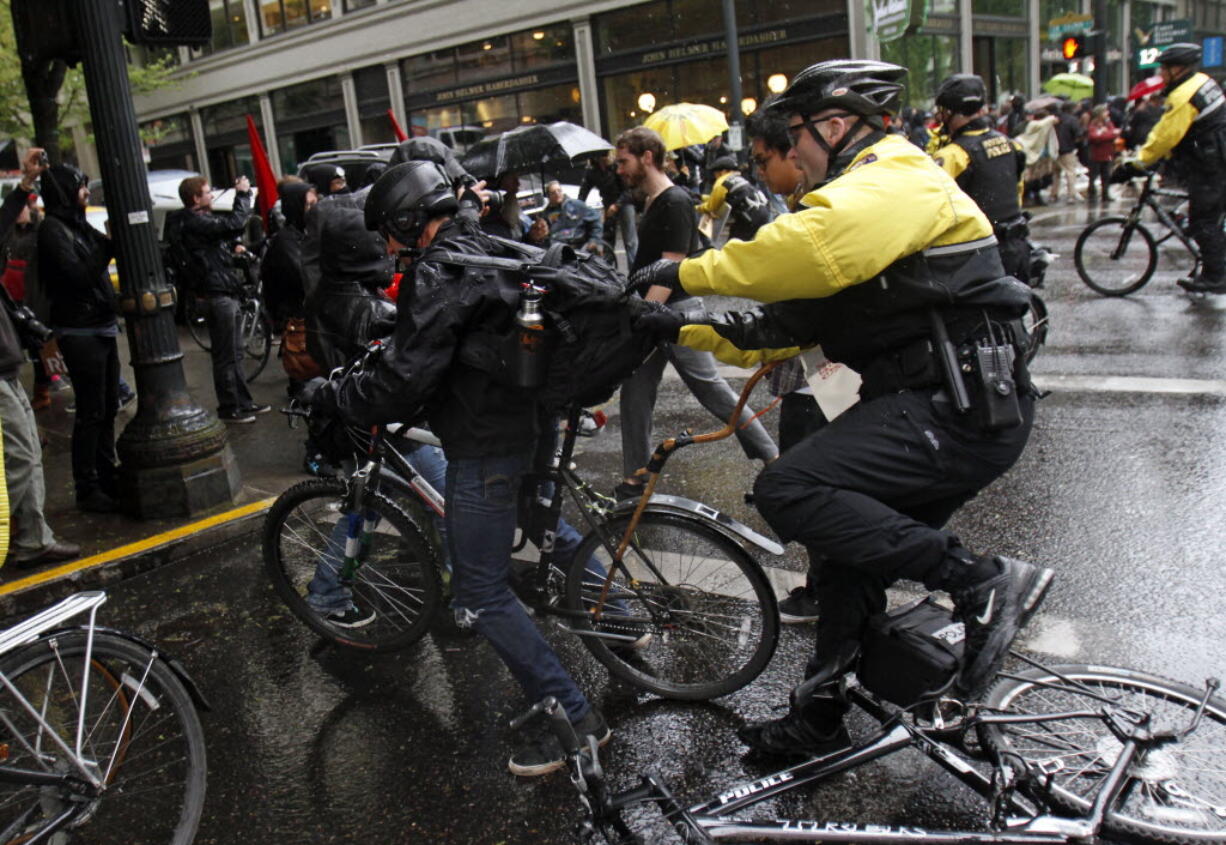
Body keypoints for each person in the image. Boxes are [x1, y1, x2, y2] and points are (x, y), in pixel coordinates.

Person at [630, 59, 1054, 758]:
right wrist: (674, 327)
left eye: (795, 135)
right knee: (844, 562)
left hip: (957, 408)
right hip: (944, 405)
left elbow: (805, 249)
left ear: (835, 124)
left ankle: (982, 583)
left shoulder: (894, 176)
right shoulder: (864, 193)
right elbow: (780, 328)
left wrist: (684, 270)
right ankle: (819, 714)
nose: (791, 152)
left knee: (788, 485)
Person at [308, 161, 610, 776]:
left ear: (408, 219)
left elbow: (404, 378)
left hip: (486, 443)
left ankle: (573, 716)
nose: (389, 250)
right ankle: (623, 615)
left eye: (390, 235)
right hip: (532, 424)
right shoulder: (491, 243)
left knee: (481, 591)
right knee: (540, 532)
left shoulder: (440, 271)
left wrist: (336, 397)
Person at [612, 127, 778, 501]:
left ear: (647, 157)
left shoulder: (676, 201)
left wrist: (645, 314)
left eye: (624, 161)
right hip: (655, 313)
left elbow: (672, 265)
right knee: (635, 394)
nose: (620, 170)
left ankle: (773, 458)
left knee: (713, 392)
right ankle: (636, 477)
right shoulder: (655, 200)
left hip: (676, 311)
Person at [745, 104, 828, 624]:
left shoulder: (808, 214)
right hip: (814, 375)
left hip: (819, 378)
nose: (758, 171)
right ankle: (827, 584)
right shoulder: (797, 207)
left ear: (792, 157)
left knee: (808, 483)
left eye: (762, 160)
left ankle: (827, 590)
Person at [0, 148, 80, 568]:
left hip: (6, 368)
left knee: (27, 451)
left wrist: (25, 186)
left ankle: (32, 536)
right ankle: (29, 539)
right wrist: (25, 187)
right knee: (22, 455)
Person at [36, 164, 123, 513]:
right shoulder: (53, 231)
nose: (86, 193)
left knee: (108, 406)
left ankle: (106, 473)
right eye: (81, 187)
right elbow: (78, 277)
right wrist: (107, 246)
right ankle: (88, 487)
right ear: (66, 192)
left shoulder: (75, 225)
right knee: (92, 410)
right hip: (80, 330)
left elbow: (99, 253)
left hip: (99, 326)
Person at [166, 175, 271, 424]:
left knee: (234, 353)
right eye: (207, 192)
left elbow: (221, 240)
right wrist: (243, 194)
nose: (211, 196)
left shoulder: (194, 223)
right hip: (217, 295)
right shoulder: (193, 222)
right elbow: (234, 223)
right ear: (195, 198)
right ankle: (230, 407)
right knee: (226, 356)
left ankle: (243, 403)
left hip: (223, 292)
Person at [1124, 43, 1226, 294]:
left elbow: (1165, 136)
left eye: (1164, 69)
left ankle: (1216, 277)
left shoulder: (1184, 96)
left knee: (1203, 221)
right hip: (1216, 159)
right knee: (1206, 217)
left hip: (1210, 166)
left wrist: (1137, 163)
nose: (1161, 74)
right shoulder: (1203, 81)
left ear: (1178, 69)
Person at [931, 73, 1032, 283]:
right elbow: (1018, 190)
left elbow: (931, 209)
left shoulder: (953, 155)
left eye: (942, 112)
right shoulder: (1011, 144)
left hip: (977, 255)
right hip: (1016, 246)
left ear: (950, 111)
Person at [695, 155, 773, 243]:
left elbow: (711, 207)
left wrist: (695, 207)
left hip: (749, 217)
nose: (714, 176)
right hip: (763, 212)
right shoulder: (738, 179)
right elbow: (719, 199)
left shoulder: (722, 182)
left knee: (734, 245)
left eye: (715, 173)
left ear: (723, 171)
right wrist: (700, 197)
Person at [580, 154, 637, 266]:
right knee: (608, 237)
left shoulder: (617, 168)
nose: (608, 157)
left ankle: (634, 269)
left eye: (608, 155)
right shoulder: (593, 171)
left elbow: (628, 190)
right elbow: (584, 190)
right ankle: (608, 269)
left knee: (630, 240)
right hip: (608, 203)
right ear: (598, 158)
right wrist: (579, 205)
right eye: (605, 155)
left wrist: (617, 205)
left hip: (624, 202)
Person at [530, 181, 603, 253]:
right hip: (557, 250)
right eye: (553, 192)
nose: (557, 194)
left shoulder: (576, 205)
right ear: (548, 196)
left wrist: (594, 240)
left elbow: (596, 219)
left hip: (578, 247)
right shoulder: (545, 214)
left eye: (559, 191)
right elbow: (542, 236)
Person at [1050, 101, 1083, 202]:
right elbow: (1078, 134)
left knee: (1056, 173)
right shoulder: (1072, 120)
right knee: (1070, 173)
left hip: (1054, 150)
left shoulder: (1054, 119)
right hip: (1067, 149)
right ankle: (1071, 195)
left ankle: (1054, 194)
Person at [1086, 105, 1120, 202]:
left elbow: (1115, 133)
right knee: (1093, 175)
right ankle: (1092, 194)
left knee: (1106, 175)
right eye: (1105, 112)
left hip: (1108, 153)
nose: (1107, 114)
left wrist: (1104, 134)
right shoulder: (1093, 125)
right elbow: (1094, 137)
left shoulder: (1108, 123)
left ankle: (1105, 194)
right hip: (1096, 155)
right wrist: (1108, 134)